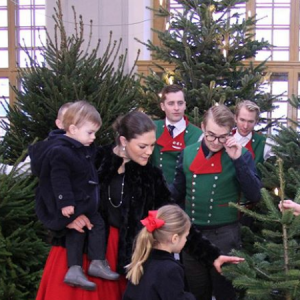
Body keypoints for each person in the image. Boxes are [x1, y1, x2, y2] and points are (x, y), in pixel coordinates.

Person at [35, 110, 244, 300]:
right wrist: (68, 219)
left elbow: (176, 221)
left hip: (123, 259)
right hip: (81, 253)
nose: (148, 152)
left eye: (153, 145)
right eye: (142, 146)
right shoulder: (93, 159)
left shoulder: (151, 177)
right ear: (124, 141)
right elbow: (50, 189)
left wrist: (212, 255)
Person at [170, 104, 261, 300]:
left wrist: (238, 160)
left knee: (225, 293)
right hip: (193, 236)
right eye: (211, 135)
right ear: (202, 127)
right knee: (196, 292)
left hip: (226, 236)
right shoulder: (187, 153)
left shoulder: (242, 154)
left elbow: (255, 195)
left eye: (222, 136)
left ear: (230, 132)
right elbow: (175, 194)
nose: (216, 142)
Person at [30, 100, 119, 292]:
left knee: (97, 225)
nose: (94, 137)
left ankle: (96, 262)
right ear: (67, 127)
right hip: (66, 239)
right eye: (90, 132)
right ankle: (75, 269)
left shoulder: (84, 149)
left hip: (88, 217)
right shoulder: (58, 152)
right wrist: (65, 211)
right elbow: (55, 185)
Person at [123, 205, 195, 300]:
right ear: (175, 238)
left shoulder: (142, 259)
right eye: (186, 236)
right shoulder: (170, 269)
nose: (186, 240)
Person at [0, 102, 72, 176]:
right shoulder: (44, 148)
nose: (75, 123)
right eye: (69, 119)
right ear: (59, 124)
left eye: (80, 119)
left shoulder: (84, 146)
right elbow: (20, 171)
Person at [151, 84, 202, 184]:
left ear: (185, 105)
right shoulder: (152, 128)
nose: (176, 108)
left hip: (183, 194)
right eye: (171, 103)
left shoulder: (198, 135)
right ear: (162, 106)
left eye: (180, 103)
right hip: (155, 191)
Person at [234, 100, 273, 164]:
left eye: (250, 121)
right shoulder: (223, 139)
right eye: (242, 120)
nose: (245, 126)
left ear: (256, 121)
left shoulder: (264, 143)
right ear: (235, 118)